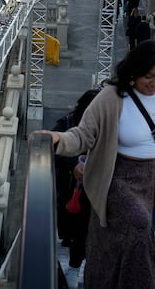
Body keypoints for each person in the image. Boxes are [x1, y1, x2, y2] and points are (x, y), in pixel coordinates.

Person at [35, 40, 155, 288]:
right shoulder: (111, 97)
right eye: (148, 76)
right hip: (114, 178)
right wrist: (57, 139)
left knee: (113, 246)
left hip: (147, 181)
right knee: (139, 226)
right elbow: (83, 135)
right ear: (133, 71)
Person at [52, 89, 99, 284]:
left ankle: (77, 263)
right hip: (69, 185)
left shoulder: (107, 126)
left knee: (83, 226)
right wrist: (74, 166)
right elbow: (55, 149)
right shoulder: (68, 123)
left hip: (94, 188)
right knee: (72, 221)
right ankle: (73, 259)